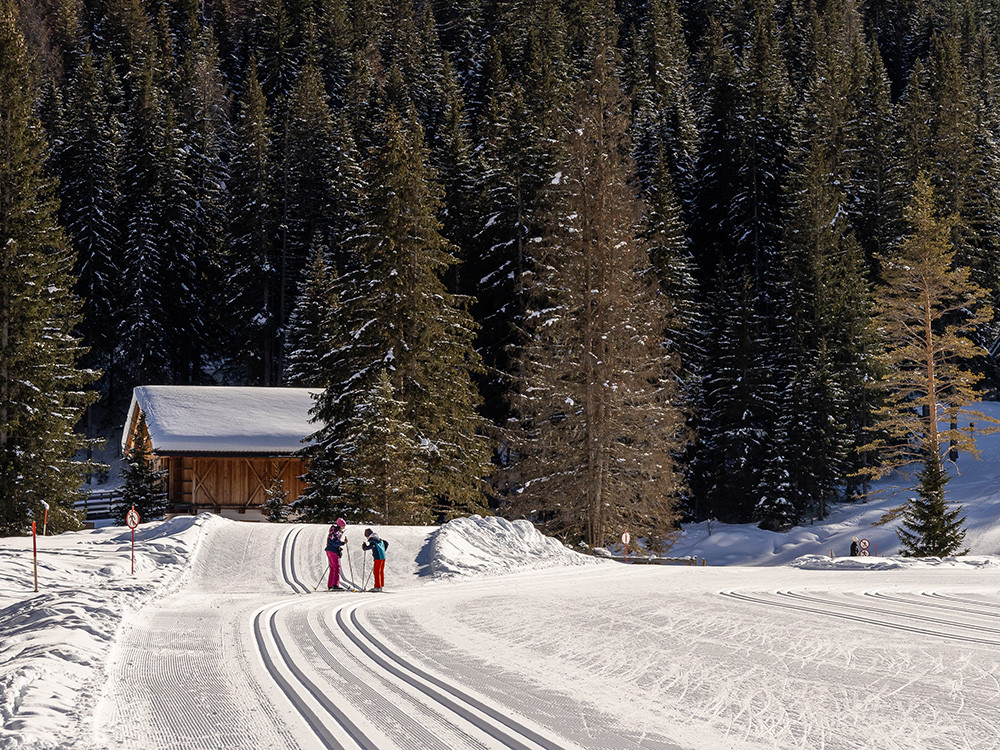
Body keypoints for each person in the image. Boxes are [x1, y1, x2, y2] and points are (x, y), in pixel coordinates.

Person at [362, 528, 388, 592]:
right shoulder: (378, 538)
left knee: (376, 572)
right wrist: (382, 551)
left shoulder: (372, 539)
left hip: (378, 558)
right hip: (383, 557)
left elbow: (372, 546)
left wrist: (365, 547)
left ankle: (377, 587)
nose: (367, 539)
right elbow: (386, 543)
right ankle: (380, 586)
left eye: (366, 537)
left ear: (368, 535)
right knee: (380, 571)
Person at [325, 518, 347, 590]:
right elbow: (335, 543)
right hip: (332, 551)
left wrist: (338, 548)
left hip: (329, 550)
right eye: (343, 526)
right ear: (340, 526)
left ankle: (330, 585)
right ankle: (335, 585)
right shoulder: (336, 532)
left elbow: (332, 542)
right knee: (337, 567)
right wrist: (343, 543)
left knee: (333, 568)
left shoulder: (333, 531)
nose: (343, 528)